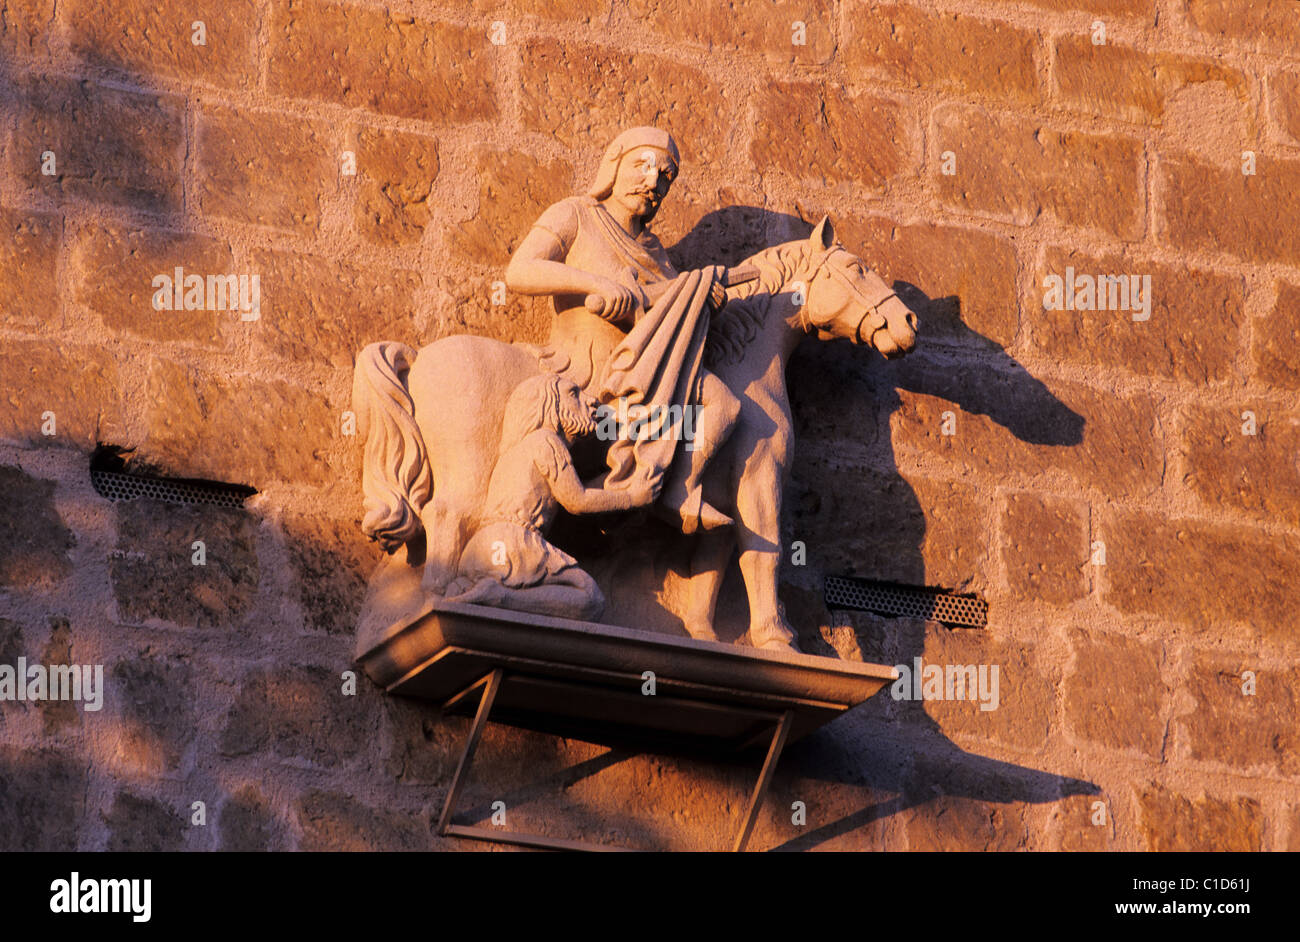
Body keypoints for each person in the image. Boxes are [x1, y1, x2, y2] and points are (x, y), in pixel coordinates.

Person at [505, 126, 740, 536]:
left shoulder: (659, 257)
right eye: (643, 166)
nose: (653, 182)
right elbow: (520, 271)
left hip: (640, 378)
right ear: (614, 166)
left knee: (722, 401)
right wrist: (594, 283)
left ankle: (666, 489)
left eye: (666, 176)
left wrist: (699, 299)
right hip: (580, 368)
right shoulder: (575, 214)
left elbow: (664, 321)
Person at [445, 373, 657, 620]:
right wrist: (632, 497)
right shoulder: (547, 441)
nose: (589, 401)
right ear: (549, 405)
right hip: (512, 545)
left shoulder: (517, 450)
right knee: (589, 599)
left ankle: (484, 593)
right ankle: (499, 596)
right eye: (573, 394)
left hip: (482, 551)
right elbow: (577, 500)